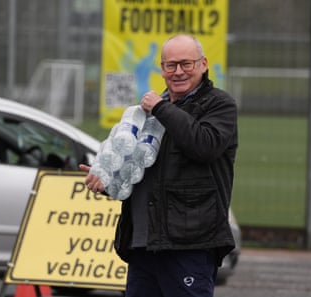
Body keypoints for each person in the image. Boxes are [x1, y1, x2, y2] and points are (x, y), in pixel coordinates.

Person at [80, 34, 238, 297]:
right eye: (170, 65)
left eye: (186, 64)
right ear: (162, 69)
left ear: (203, 64)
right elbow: (141, 168)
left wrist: (162, 108)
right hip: (143, 244)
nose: (178, 72)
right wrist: (108, 180)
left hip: (189, 246)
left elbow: (204, 145)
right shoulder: (148, 112)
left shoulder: (219, 104)